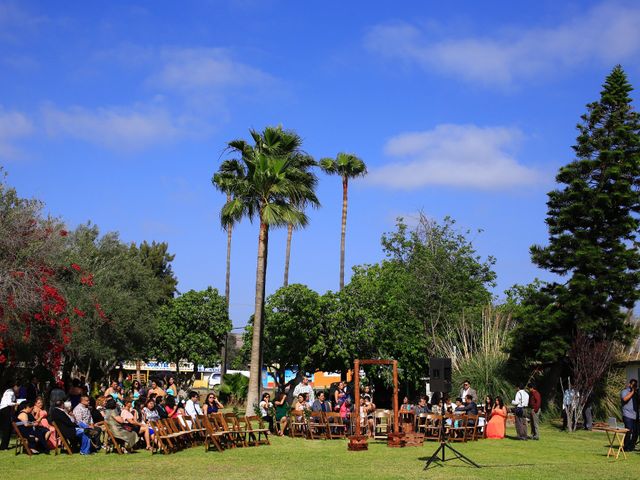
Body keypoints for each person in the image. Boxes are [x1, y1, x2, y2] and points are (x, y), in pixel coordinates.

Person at [0, 379, 19, 450]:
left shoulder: (8, 391)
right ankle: (3, 446)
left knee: (7, 429)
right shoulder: (10, 392)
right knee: (6, 429)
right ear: (14, 387)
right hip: (5, 410)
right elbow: (9, 403)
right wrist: (17, 403)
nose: (18, 389)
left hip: (4, 410)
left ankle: (4, 446)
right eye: (17, 387)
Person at [621, 378, 638, 452]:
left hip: (636, 416)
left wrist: (636, 392)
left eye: (635, 385)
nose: (633, 386)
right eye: (633, 384)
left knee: (636, 432)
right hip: (627, 415)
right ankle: (626, 446)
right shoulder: (624, 391)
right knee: (628, 431)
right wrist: (632, 392)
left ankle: (631, 446)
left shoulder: (636, 393)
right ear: (629, 384)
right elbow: (625, 399)